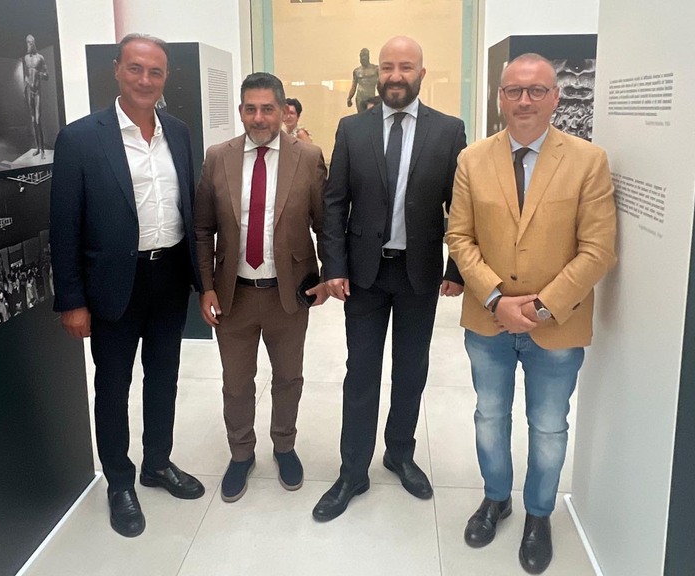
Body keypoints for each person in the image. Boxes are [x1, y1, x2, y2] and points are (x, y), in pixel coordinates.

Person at [445, 53, 617, 574]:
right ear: (500, 97)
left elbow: (598, 250)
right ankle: (496, 498)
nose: (525, 100)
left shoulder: (588, 161)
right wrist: (496, 298)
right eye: (514, 91)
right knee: (489, 416)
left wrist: (541, 308)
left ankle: (539, 514)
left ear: (555, 97)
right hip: (488, 321)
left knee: (548, 427)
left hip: (558, 326)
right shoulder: (472, 160)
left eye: (536, 90)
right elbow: (459, 236)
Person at [50, 33, 205, 539]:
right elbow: (64, 226)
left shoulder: (178, 132)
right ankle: (119, 479)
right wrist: (72, 300)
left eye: (155, 71)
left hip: (169, 276)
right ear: (117, 69)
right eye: (135, 68)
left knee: (164, 377)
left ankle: (157, 463)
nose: (145, 79)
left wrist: (201, 279)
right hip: (114, 284)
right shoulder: (80, 138)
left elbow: (189, 208)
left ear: (166, 78)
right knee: (113, 386)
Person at [314, 36, 466, 521]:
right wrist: (334, 266)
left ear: (422, 73)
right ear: (376, 74)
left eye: (405, 67)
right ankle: (353, 470)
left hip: (419, 272)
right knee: (361, 373)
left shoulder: (449, 130)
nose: (395, 75)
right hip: (364, 274)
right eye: (387, 67)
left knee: (410, 370)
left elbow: (461, 206)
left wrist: (457, 267)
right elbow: (334, 203)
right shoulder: (352, 128)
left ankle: (400, 453)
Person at [194, 72, 328, 502]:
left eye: (267, 108)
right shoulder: (218, 157)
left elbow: (326, 224)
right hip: (232, 295)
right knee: (236, 383)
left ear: (283, 111)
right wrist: (206, 287)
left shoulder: (308, 157)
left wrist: (328, 275)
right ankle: (241, 453)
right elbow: (202, 229)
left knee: (288, 377)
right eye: (250, 109)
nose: (258, 117)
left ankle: (284, 446)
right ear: (240, 111)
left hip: (289, 294)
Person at [22, 35, 49, 158]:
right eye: (27, 43)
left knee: (38, 120)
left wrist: (40, 74)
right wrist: (24, 88)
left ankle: (43, 150)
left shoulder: (40, 58)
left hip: (37, 91)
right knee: (33, 121)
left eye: (30, 43)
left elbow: (47, 75)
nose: (28, 45)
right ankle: (37, 147)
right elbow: (26, 75)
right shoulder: (26, 58)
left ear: (33, 43)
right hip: (29, 91)